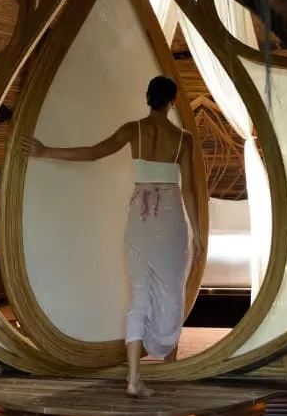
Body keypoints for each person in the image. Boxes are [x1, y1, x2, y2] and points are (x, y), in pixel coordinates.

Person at [20, 75, 204, 397]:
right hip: (171, 217)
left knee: (140, 294)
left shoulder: (133, 130)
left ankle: (133, 379)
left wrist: (43, 150)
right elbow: (188, 190)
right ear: (172, 101)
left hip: (141, 218)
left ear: (148, 96)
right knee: (172, 290)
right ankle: (170, 368)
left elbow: (93, 153)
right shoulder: (183, 139)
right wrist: (199, 233)